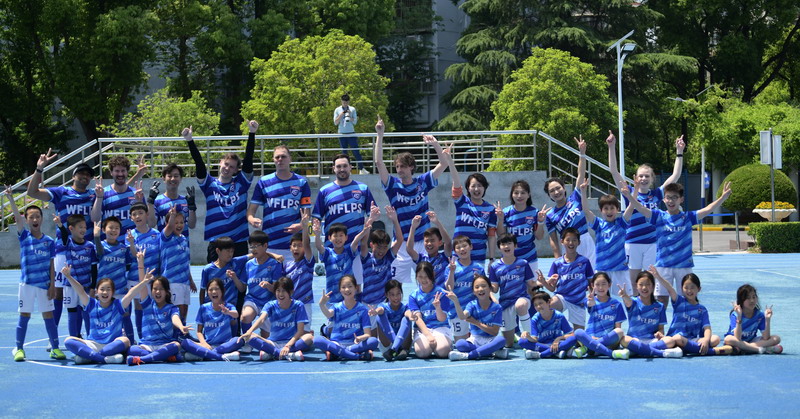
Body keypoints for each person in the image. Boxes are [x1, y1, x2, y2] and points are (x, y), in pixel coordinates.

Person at [608, 131, 685, 295]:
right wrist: (611, 147)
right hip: (632, 242)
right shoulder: (629, 192)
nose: (643, 178)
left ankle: (649, 305)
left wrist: (679, 152)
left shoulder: (657, 194)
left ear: (652, 179)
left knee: (650, 279)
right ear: (635, 178)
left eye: (647, 176)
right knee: (633, 281)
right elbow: (613, 171)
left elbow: (675, 175)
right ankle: (636, 305)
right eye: (641, 176)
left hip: (652, 243)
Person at [631, 181, 733, 305]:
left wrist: (722, 198)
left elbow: (708, 209)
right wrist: (629, 195)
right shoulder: (658, 216)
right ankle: (660, 319)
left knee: (686, 300)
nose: (671, 201)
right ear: (664, 199)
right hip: (663, 265)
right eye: (668, 197)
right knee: (661, 300)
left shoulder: (688, 217)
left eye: (675, 197)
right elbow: (641, 208)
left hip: (684, 265)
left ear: (681, 199)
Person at [27, 150, 97, 326]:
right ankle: (54, 336)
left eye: (88, 175)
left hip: (85, 252)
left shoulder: (93, 195)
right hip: (63, 251)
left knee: (84, 294)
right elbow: (32, 192)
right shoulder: (61, 192)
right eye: (81, 173)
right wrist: (39, 169)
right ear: (73, 176)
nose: (85, 177)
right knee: (58, 293)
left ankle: (83, 334)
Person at [374, 118, 449, 282]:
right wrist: (380, 134)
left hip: (423, 242)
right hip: (401, 243)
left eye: (403, 166)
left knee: (428, 282)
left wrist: (434, 143)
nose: (399, 169)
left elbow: (444, 164)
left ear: (411, 167)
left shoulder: (423, 182)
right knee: (394, 285)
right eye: (397, 167)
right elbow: (379, 163)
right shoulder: (392, 185)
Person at [183, 121, 258, 261]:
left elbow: (248, 160)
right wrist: (189, 140)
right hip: (216, 241)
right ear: (220, 163)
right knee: (214, 276)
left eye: (232, 167)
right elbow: (199, 164)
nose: (227, 168)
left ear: (236, 170)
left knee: (239, 275)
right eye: (226, 164)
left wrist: (252, 133)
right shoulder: (209, 184)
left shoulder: (241, 183)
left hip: (238, 241)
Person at [6, 188, 64, 361]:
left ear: (42, 219)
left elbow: (52, 265)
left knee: (48, 315)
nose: (35, 219)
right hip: (27, 284)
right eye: (31, 217)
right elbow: (17, 218)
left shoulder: (49, 241)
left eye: (37, 216)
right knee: (24, 315)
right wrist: (10, 198)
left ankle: (55, 348)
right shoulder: (24, 236)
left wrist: (53, 285)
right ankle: (19, 349)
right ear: (27, 220)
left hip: (45, 285)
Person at [61, 265, 151, 364]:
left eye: (108, 289)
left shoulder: (118, 305)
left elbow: (131, 294)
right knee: (68, 340)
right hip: (93, 344)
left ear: (113, 292)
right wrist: (69, 276)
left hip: (112, 344)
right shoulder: (91, 304)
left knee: (125, 341)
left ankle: (90, 356)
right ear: (96, 292)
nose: (105, 292)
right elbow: (81, 291)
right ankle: (103, 359)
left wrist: (144, 281)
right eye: (102, 289)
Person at [579, 179, 650, 295]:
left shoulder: (621, 223)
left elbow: (632, 206)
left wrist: (636, 189)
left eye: (612, 208)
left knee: (625, 298)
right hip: (602, 269)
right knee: (600, 299)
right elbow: (586, 211)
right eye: (606, 208)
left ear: (617, 209)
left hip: (620, 270)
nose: (609, 211)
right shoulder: (598, 224)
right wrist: (583, 192)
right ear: (601, 210)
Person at [312, 153, 375, 282]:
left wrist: (375, 216)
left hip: (355, 248)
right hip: (333, 250)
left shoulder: (363, 189)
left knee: (356, 285)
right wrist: (315, 231)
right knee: (334, 285)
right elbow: (316, 217)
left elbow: (372, 214)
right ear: (333, 168)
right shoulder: (325, 191)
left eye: (345, 166)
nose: (342, 169)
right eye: (338, 166)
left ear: (351, 167)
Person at [247, 145, 312, 261]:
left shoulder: (301, 182)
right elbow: (251, 211)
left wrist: (301, 225)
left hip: (294, 246)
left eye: (283, 156)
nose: (280, 159)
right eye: (277, 157)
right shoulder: (264, 182)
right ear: (273, 160)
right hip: (270, 244)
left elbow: (306, 212)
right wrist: (252, 219)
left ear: (290, 159)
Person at [127, 257, 190, 366]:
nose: (157, 292)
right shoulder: (147, 303)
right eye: (155, 289)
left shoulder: (172, 308)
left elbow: (175, 318)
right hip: (147, 345)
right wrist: (140, 264)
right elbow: (142, 284)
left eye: (161, 289)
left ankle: (143, 359)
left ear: (167, 291)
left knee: (176, 345)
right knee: (132, 349)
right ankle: (162, 356)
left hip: (164, 345)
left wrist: (181, 326)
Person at [654, 269, 733, 355]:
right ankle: (703, 350)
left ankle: (687, 348)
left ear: (699, 289)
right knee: (677, 339)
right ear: (682, 289)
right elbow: (670, 288)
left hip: (690, 340)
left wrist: (706, 340)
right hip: (675, 337)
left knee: (715, 339)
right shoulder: (679, 301)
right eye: (686, 288)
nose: (689, 291)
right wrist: (658, 277)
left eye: (692, 287)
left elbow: (707, 328)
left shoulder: (702, 309)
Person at [543, 136, 595, 267]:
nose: (556, 192)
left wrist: (582, 154)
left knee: (593, 276)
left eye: (558, 188)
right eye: (552, 191)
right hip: (569, 246)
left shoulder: (575, 197)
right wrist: (557, 259)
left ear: (564, 188)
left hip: (586, 240)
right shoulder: (550, 215)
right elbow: (554, 240)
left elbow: (580, 174)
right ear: (549, 195)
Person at [239, 277, 313, 361]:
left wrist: (287, 346)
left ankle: (273, 353)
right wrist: (249, 331)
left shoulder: (298, 305)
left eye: (284, 291)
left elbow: (300, 331)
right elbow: (261, 319)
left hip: (291, 343)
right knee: (250, 337)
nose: (280, 294)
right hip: (273, 343)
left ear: (291, 291)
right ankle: (287, 354)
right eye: (278, 290)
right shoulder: (270, 305)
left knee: (309, 337)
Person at [446, 146, 497, 265]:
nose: (476, 189)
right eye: (473, 186)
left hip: (478, 257)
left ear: (485, 188)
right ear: (468, 188)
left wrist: (491, 258)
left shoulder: (490, 209)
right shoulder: (461, 202)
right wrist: (450, 161)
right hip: (458, 257)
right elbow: (456, 181)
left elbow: (491, 236)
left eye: (480, 186)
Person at [616, 271, 683, 358]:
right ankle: (661, 353)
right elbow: (628, 301)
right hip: (634, 340)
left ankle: (638, 350)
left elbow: (661, 329)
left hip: (652, 340)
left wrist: (659, 333)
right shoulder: (633, 302)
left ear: (653, 286)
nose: (644, 287)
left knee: (670, 340)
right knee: (624, 339)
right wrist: (624, 295)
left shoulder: (659, 306)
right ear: (636, 286)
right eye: (641, 284)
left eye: (648, 284)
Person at [538, 228, 593, 331]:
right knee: (549, 306)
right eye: (568, 240)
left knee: (579, 335)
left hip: (578, 301)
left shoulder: (584, 261)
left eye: (574, 240)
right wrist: (544, 282)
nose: (571, 243)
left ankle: (570, 334)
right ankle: (548, 332)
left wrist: (592, 297)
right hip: (562, 297)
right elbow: (552, 288)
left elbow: (591, 283)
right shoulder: (557, 263)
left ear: (579, 242)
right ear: (562, 241)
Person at [360, 205, 404, 334]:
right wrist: (371, 220)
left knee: (385, 336)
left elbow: (400, 240)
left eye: (385, 247)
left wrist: (395, 220)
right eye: (378, 247)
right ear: (372, 245)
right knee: (371, 338)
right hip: (367, 303)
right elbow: (363, 243)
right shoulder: (366, 258)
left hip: (383, 303)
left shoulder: (388, 257)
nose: (382, 251)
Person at [314, 275, 379, 361]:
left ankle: (338, 353)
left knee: (373, 341)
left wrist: (360, 338)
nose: (347, 289)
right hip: (337, 343)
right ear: (340, 290)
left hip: (355, 344)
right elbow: (328, 314)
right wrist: (321, 304)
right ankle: (356, 356)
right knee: (317, 340)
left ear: (356, 288)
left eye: (350, 286)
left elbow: (368, 334)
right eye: (343, 287)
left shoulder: (363, 309)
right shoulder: (336, 307)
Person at [239, 230, 284, 351]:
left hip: (269, 302)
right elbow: (242, 288)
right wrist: (234, 278)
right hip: (253, 300)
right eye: (251, 246)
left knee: (266, 341)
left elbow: (277, 290)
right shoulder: (249, 264)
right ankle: (247, 341)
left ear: (265, 246)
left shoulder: (274, 264)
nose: (253, 249)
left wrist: (268, 286)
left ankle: (260, 335)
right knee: (245, 317)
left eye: (256, 246)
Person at [445, 275, 509, 361]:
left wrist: (476, 323)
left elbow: (494, 332)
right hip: (475, 339)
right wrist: (456, 301)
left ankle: (468, 356)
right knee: (460, 344)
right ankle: (491, 352)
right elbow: (462, 316)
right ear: (473, 292)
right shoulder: (472, 305)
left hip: (491, 339)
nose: (480, 289)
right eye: (477, 287)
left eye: (484, 286)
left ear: (490, 289)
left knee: (501, 340)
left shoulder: (497, 308)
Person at [488, 233, 535, 347]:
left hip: (522, 298)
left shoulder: (523, 263)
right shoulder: (494, 267)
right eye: (503, 244)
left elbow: (531, 284)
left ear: (515, 245)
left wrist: (545, 282)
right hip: (505, 303)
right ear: (499, 247)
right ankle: (512, 336)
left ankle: (529, 337)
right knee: (508, 344)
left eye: (509, 243)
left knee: (521, 306)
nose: (506, 246)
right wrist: (485, 284)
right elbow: (494, 289)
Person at [55, 214, 98, 338]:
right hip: (70, 286)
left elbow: (94, 268)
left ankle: (91, 339)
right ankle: (74, 339)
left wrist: (93, 287)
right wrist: (60, 224)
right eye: (80, 227)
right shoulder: (68, 243)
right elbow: (64, 234)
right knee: (72, 313)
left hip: (85, 287)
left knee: (87, 313)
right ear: (71, 228)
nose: (83, 229)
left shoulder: (90, 246)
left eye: (84, 227)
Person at [181, 278, 244, 361]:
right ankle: (221, 356)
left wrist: (228, 312)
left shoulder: (229, 306)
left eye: (217, 289)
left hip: (225, 345)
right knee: (185, 343)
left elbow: (236, 314)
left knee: (238, 340)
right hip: (208, 345)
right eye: (210, 290)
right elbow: (199, 331)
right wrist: (203, 343)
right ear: (207, 292)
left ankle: (203, 354)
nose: (214, 292)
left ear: (222, 291)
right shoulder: (203, 308)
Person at [571, 272, 628, 359]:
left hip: (608, 340)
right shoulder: (590, 300)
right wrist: (591, 301)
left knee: (619, 331)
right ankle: (609, 353)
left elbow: (617, 327)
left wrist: (604, 339)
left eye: (604, 284)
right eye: (597, 284)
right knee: (578, 332)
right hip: (591, 337)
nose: (601, 287)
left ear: (609, 285)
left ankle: (588, 349)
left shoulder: (616, 304)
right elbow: (589, 304)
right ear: (592, 285)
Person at [495, 180, 548, 273]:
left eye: (523, 193)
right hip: (510, 258)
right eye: (516, 193)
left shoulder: (534, 213)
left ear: (528, 195)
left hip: (530, 257)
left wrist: (540, 222)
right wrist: (500, 219)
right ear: (512, 195)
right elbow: (500, 235)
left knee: (531, 283)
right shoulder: (506, 212)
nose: (519, 196)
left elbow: (539, 237)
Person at [97, 216, 135, 343]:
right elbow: (99, 252)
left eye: (117, 228)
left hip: (120, 289)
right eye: (111, 228)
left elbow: (128, 267)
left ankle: (130, 341)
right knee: (105, 316)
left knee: (125, 315)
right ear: (104, 230)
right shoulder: (100, 246)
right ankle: (104, 340)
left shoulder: (123, 249)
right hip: (105, 291)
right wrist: (96, 236)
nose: (113, 230)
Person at [126, 202, 160, 340]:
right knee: (139, 307)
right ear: (131, 218)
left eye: (140, 213)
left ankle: (153, 337)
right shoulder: (130, 235)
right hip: (136, 277)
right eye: (134, 214)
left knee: (153, 307)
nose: (137, 216)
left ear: (147, 215)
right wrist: (131, 243)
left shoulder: (156, 234)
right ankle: (141, 338)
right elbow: (134, 255)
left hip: (153, 278)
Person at [199, 237, 248, 335]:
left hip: (230, 310)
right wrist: (202, 308)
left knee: (233, 337)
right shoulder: (208, 269)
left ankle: (241, 336)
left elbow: (255, 254)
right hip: (213, 310)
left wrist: (274, 255)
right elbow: (202, 290)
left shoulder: (235, 263)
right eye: (227, 251)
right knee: (211, 337)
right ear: (218, 251)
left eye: (232, 251)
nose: (230, 254)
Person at [91, 155, 148, 239]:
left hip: (131, 243)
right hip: (109, 245)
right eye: (117, 171)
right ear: (111, 172)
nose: (120, 174)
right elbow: (95, 219)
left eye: (123, 171)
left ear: (127, 172)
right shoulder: (102, 193)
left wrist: (139, 202)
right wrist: (99, 198)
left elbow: (146, 221)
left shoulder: (136, 194)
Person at [408, 261, 454, 359]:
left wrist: (438, 307)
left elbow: (442, 319)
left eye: (426, 276)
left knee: (443, 351)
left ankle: (446, 343)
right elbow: (418, 318)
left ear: (432, 275)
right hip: (423, 329)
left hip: (440, 327)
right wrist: (428, 335)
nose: (423, 280)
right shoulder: (413, 296)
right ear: (416, 276)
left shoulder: (441, 293)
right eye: (420, 277)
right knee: (422, 353)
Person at [445, 236, 486, 342]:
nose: (462, 249)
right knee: (461, 344)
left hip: (474, 312)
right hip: (456, 312)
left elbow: (485, 291)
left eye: (464, 246)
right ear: (455, 251)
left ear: (471, 247)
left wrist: (479, 282)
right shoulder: (451, 267)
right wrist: (452, 272)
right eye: (458, 247)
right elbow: (449, 288)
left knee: (478, 341)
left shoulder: (479, 268)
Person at [160, 207, 196, 322]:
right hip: (172, 281)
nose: (179, 225)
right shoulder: (166, 237)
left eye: (181, 222)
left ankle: (182, 330)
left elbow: (185, 262)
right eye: (176, 222)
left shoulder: (184, 239)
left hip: (184, 282)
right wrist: (172, 215)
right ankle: (176, 331)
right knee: (176, 311)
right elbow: (169, 228)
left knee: (184, 311)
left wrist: (191, 281)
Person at [724, 284, 782, 354]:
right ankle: (760, 350)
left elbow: (766, 337)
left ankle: (746, 348)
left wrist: (767, 319)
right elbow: (737, 338)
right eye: (748, 298)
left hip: (751, 341)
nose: (752, 300)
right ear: (742, 300)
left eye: (754, 297)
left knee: (776, 338)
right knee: (728, 339)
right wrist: (739, 316)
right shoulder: (735, 315)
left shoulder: (759, 314)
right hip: (737, 340)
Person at [519, 290, 578, 359]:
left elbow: (571, 334)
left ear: (548, 302)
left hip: (557, 343)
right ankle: (557, 351)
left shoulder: (559, 316)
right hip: (542, 344)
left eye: (540, 303)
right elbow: (535, 339)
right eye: (535, 305)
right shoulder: (535, 319)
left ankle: (540, 354)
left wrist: (558, 339)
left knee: (573, 339)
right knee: (522, 341)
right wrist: (527, 336)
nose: (538, 307)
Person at [147, 163, 197, 240]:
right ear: (163, 179)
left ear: (181, 179)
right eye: (169, 176)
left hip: (183, 245)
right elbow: (151, 224)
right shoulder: (157, 201)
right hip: (165, 245)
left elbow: (192, 225)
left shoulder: (186, 201)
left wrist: (192, 207)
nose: (173, 179)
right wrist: (150, 201)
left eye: (176, 176)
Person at [369, 280, 413, 361]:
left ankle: (394, 349)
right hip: (387, 346)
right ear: (386, 295)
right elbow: (380, 309)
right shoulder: (383, 306)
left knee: (407, 318)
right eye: (392, 295)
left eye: (398, 294)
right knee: (379, 316)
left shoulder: (405, 307)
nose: (396, 298)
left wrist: (411, 316)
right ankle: (396, 349)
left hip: (403, 345)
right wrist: (375, 312)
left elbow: (408, 312)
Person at [283, 211, 315, 323]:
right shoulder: (287, 266)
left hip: (305, 303)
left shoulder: (308, 263)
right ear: (290, 248)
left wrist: (305, 227)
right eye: (294, 246)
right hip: (290, 304)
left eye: (300, 246)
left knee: (305, 332)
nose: (296, 248)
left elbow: (307, 245)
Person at [406, 211, 452, 287]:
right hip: (426, 293)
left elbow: (448, 242)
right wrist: (413, 227)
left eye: (432, 240)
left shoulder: (445, 257)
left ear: (440, 243)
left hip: (442, 292)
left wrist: (437, 222)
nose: (429, 243)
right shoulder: (421, 259)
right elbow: (409, 249)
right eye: (426, 241)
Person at [333, 94, 366, 173]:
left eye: (346, 102)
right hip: (342, 134)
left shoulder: (352, 109)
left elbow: (355, 122)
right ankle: (347, 170)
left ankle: (361, 169)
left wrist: (350, 116)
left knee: (356, 151)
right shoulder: (337, 110)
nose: (345, 104)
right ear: (341, 101)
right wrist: (342, 114)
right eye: (344, 102)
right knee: (344, 154)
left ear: (349, 102)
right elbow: (335, 122)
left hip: (351, 133)